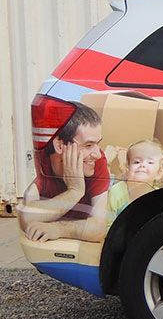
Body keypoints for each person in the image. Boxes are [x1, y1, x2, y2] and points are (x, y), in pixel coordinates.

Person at [19, 103, 109, 242]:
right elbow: (26, 219)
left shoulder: (97, 161)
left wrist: (58, 229)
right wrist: (74, 191)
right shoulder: (42, 160)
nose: (97, 154)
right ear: (60, 145)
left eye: (98, 144)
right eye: (88, 145)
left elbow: (98, 228)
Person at [107, 139, 163, 224]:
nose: (142, 165)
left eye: (150, 162)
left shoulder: (159, 196)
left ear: (159, 173)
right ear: (127, 169)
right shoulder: (116, 192)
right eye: (136, 162)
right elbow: (106, 225)